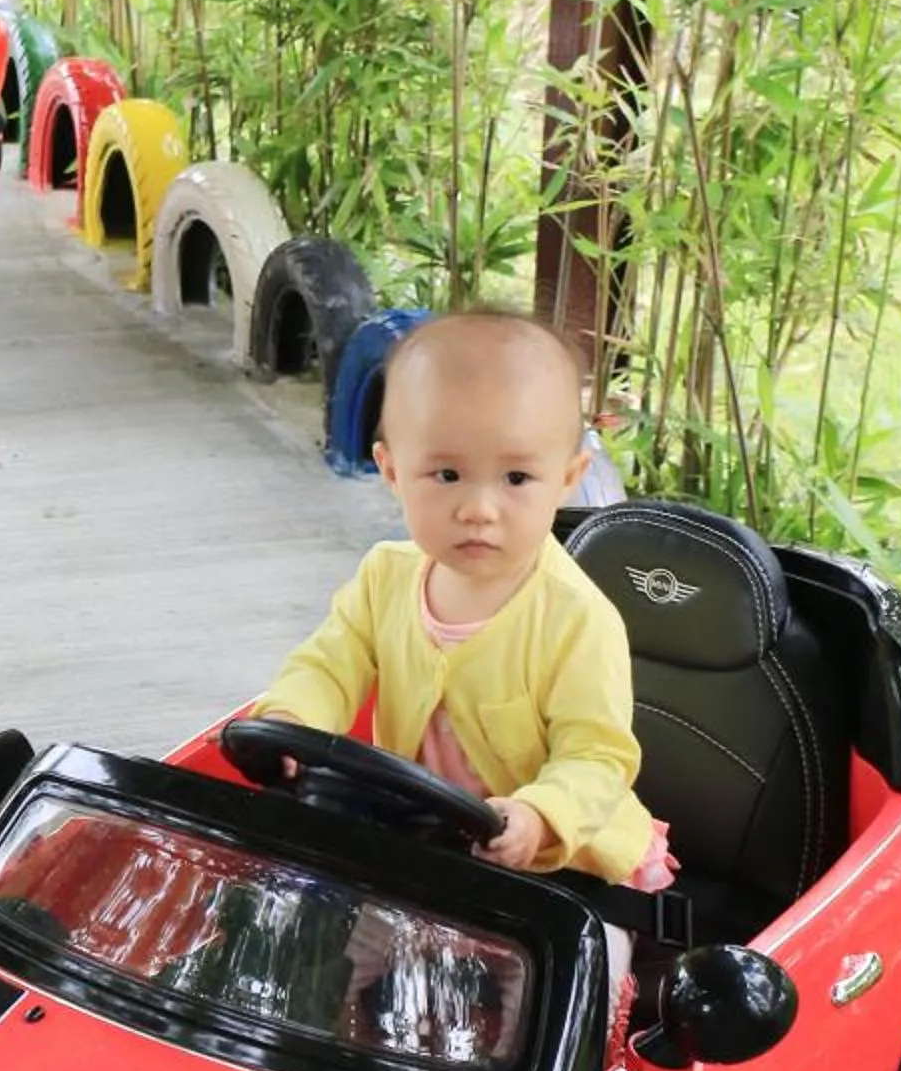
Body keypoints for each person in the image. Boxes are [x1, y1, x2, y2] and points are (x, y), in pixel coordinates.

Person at [256, 310, 675, 894]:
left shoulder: (578, 619)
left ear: (568, 477)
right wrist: (291, 717)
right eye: (448, 474)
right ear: (392, 470)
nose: (479, 509)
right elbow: (326, 667)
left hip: (564, 869)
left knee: (586, 950)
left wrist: (540, 814)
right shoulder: (383, 578)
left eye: (516, 478)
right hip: (423, 848)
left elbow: (597, 756)